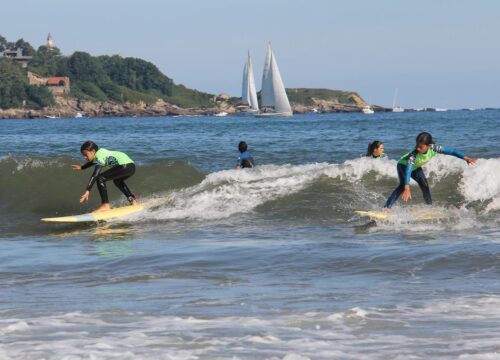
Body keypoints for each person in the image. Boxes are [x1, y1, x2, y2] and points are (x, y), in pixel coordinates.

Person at [384, 132, 476, 209]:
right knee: (402, 186)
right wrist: (407, 187)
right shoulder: (413, 154)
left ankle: (430, 207)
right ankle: (387, 208)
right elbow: (408, 169)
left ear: (429, 145)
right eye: (416, 146)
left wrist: (466, 158)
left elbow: (451, 152)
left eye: (420, 147)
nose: (417, 148)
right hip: (403, 166)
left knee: (425, 186)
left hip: (415, 167)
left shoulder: (434, 148)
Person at [71, 141, 137, 212]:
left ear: (93, 151)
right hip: (131, 167)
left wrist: (88, 190)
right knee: (117, 181)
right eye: (83, 155)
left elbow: (95, 174)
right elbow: (93, 161)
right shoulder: (100, 153)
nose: (85, 157)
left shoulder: (100, 156)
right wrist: (82, 167)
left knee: (100, 178)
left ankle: (105, 205)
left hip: (125, 165)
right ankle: (132, 200)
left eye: (86, 154)